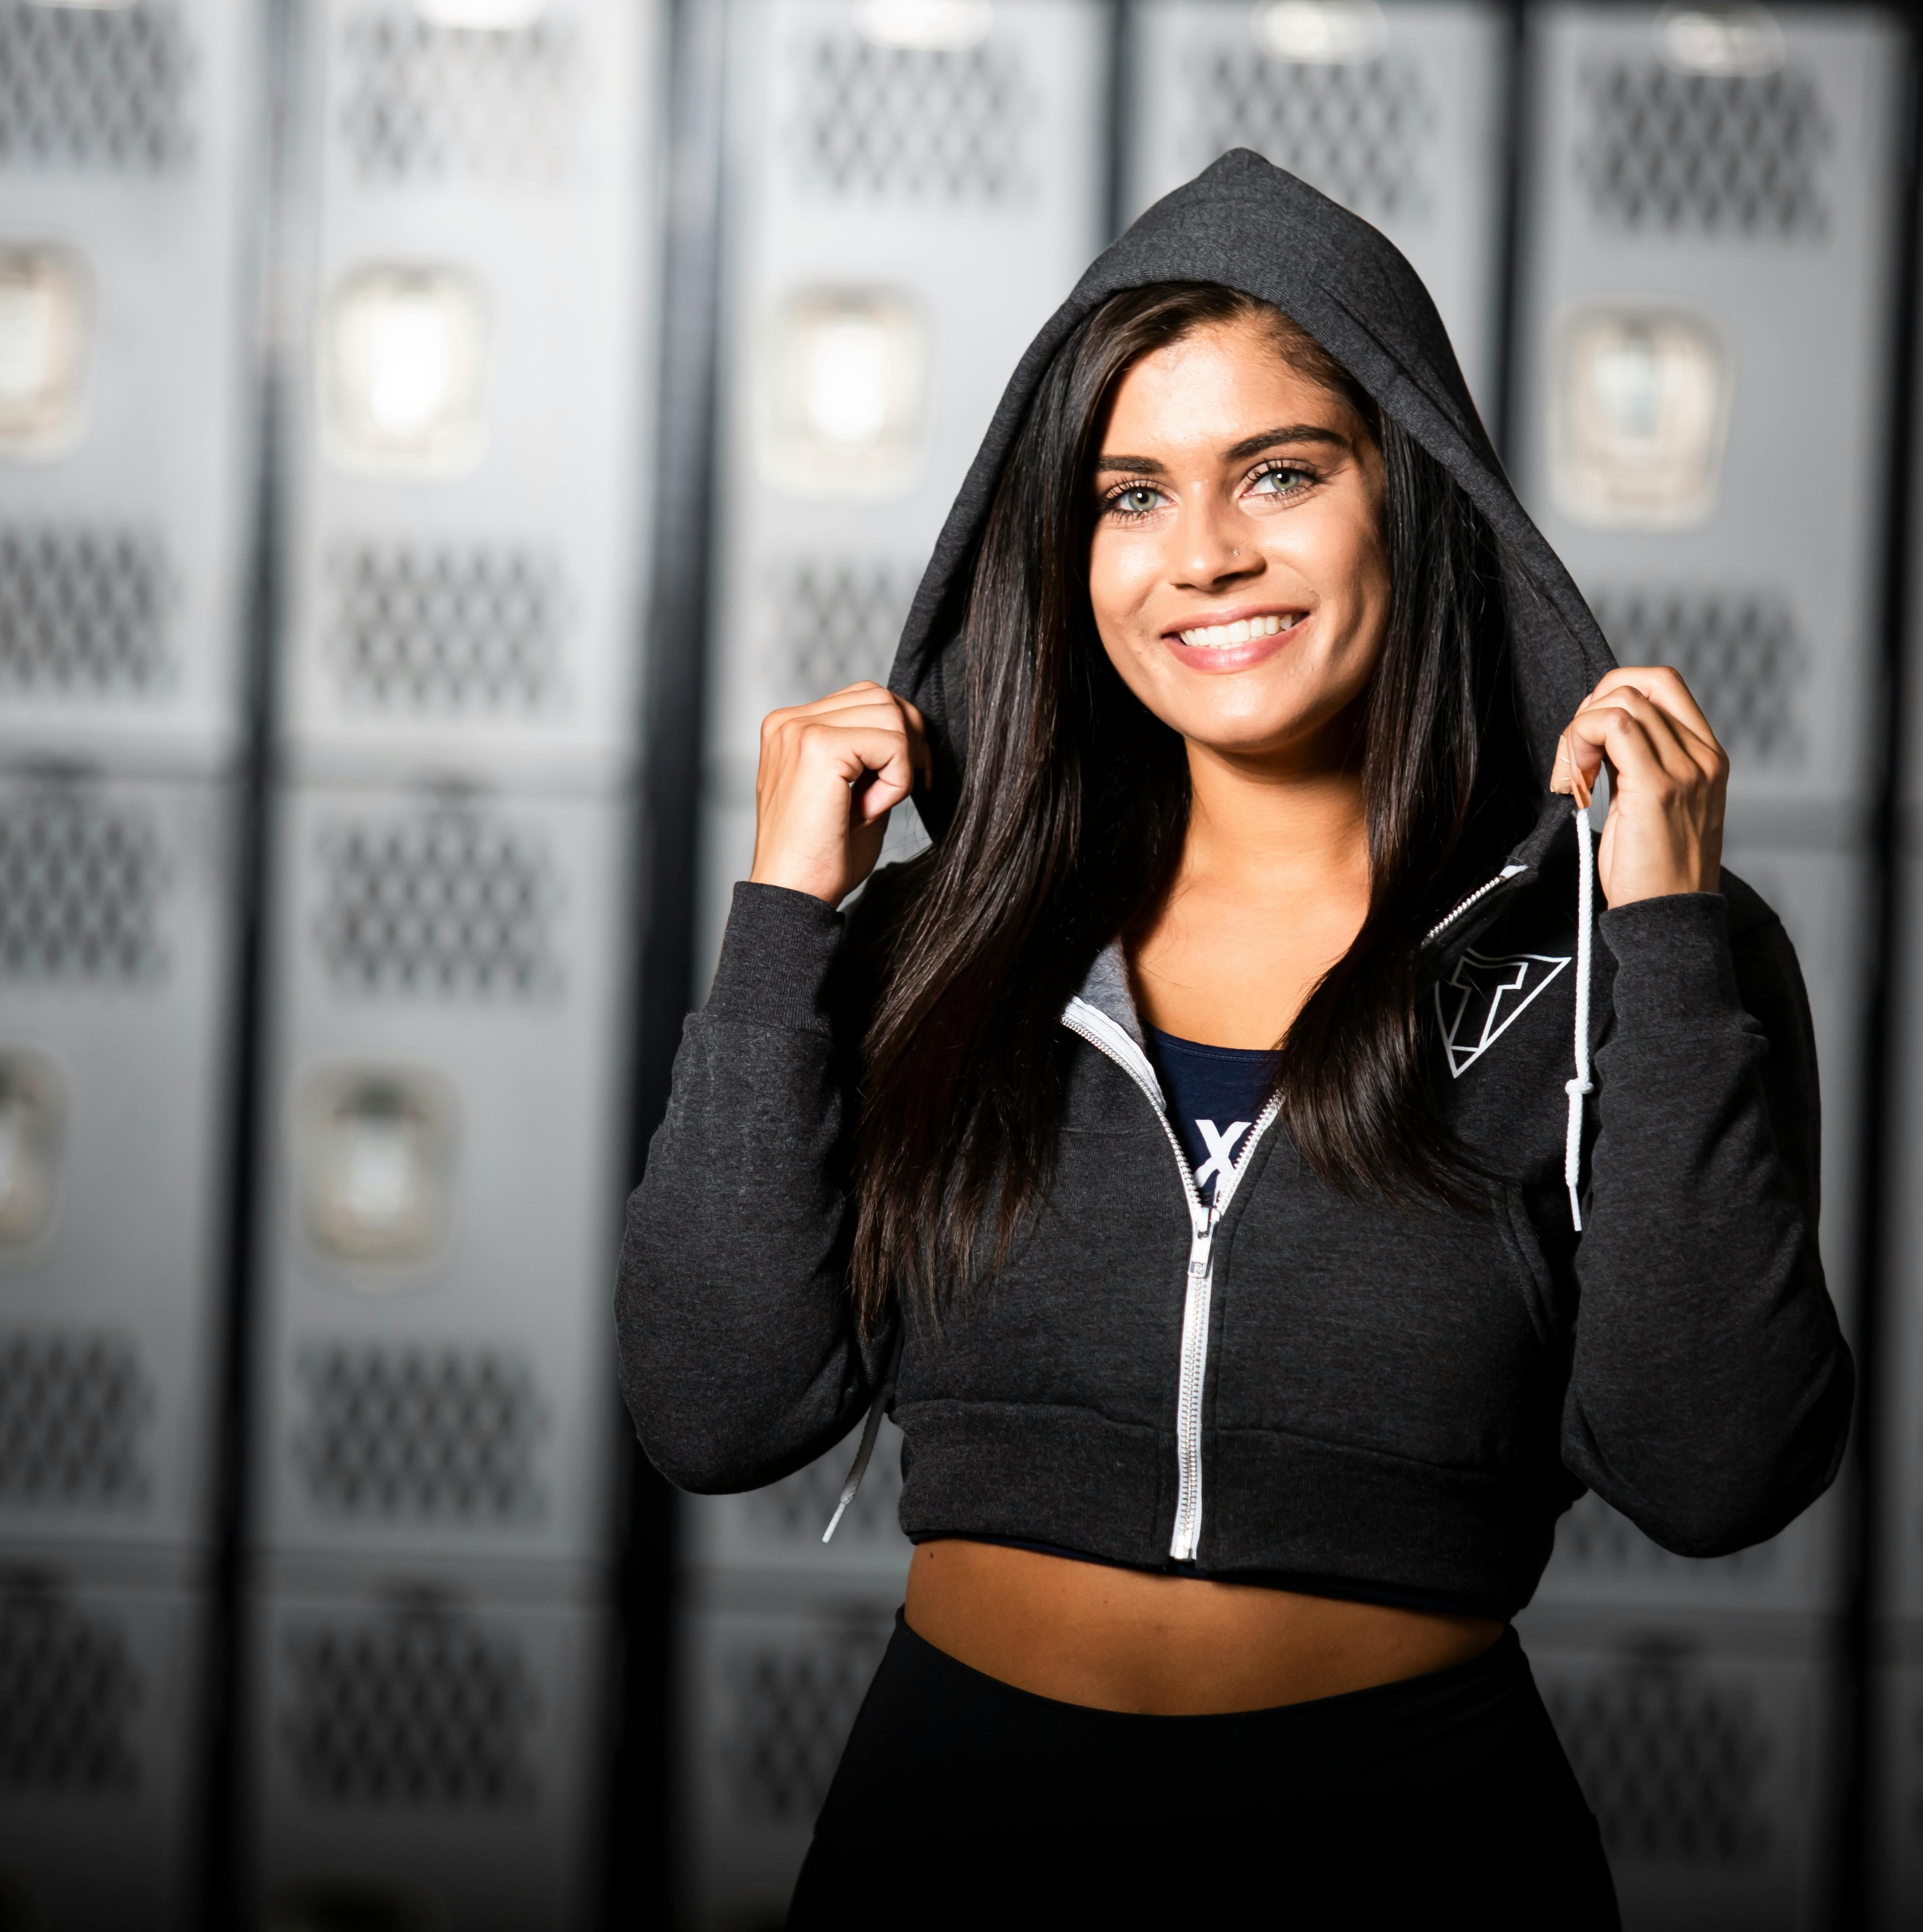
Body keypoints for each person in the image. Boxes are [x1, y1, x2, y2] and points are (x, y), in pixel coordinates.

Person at [619, 151, 1851, 1922]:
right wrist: (782, 925)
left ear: (1409, 498)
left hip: (1411, 1846)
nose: (1203, 555)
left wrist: (1657, 935)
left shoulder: (1628, 962)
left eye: (1280, 472)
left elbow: (1715, 1465)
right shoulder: (934, 946)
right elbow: (715, 1406)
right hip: (951, 1840)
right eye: (1131, 494)